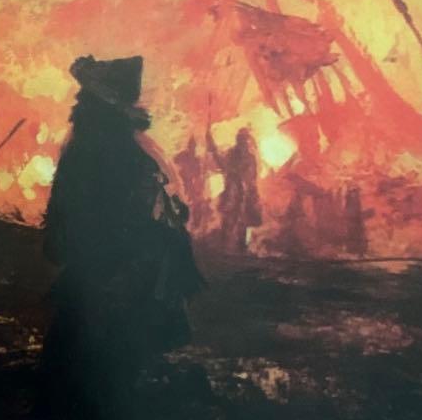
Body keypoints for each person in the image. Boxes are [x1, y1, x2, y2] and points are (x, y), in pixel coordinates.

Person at [43, 55, 203, 396]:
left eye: (85, 99)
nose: (78, 105)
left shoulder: (99, 148)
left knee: (93, 350)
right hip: (112, 266)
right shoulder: (119, 149)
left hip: (112, 268)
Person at [207, 126, 262, 254]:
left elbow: (252, 175)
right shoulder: (232, 154)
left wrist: (250, 189)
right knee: (229, 217)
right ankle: (223, 244)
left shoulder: (250, 157)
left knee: (245, 220)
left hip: (245, 192)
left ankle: (242, 246)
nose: (242, 142)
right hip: (233, 190)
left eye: (244, 139)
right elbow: (222, 165)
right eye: (241, 139)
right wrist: (213, 149)